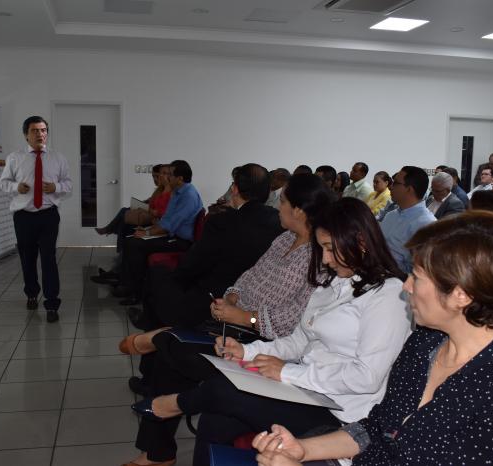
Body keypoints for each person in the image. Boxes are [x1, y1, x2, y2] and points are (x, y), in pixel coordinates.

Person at [253, 211, 493, 466]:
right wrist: (303, 450)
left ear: (461, 294)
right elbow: (375, 428)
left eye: (417, 277)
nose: (406, 286)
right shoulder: (425, 344)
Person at [131, 198, 411, 466]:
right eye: (322, 248)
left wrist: (287, 372)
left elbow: (366, 378)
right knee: (216, 420)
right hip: (305, 389)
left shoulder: (387, 295)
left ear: (360, 241)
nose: (325, 259)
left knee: (225, 391)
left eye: (329, 248)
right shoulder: (332, 283)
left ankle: (175, 404)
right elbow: (299, 340)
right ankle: (173, 412)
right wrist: (247, 351)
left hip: (340, 412)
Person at [120, 175, 336, 466]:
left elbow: (294, 320)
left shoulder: (321, 256)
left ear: (298, 210)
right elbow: (250, 275)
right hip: (234, 325)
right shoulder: (284, 238)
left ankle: (163, 341)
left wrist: (246, 318)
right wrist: (232, 297)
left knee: (176, 352)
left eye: (283, 201)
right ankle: (158, 451)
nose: (277, 207)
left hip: (263, 340)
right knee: (168, 360)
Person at [130, 163, 284, 332]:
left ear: (235, 189)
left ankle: (154, 327)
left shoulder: (221, 222)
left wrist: (178, 278)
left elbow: (194, 264)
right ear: (268, 191)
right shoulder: (280, 222)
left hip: (215, 301)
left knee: (158, 274)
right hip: (255, 301)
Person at [0, 116, 72, 323]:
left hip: (48, 215)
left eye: (43, 130)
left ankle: (52, 303)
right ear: (26, 135)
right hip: (24, 216)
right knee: (27, 258)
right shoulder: (15, 158)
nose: (40, 134)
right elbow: (3, 183)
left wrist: (56, 187)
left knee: (49, 259)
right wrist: (16, 187)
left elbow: (68, 184)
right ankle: (31, 293)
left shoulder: (58, 158)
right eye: (35, 130)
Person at [113, 160, 203, 305]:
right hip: (172, 236)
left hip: (182, 242)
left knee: (136, 244)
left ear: (180, 178)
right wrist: (147, 230)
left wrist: (148, 234)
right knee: (131, 240)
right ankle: (128, 284)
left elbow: (169, 225)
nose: (167, 178)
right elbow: (166, 220)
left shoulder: (188, 196)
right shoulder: (177, 192)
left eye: (171, 175)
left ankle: (136, 292)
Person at [380, 166, 436, 274]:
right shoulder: (390, 216)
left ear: (409, 189)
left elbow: (419, 271)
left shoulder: (427, 224)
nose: (390, 187)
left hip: (399, 280)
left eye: (395, 183)